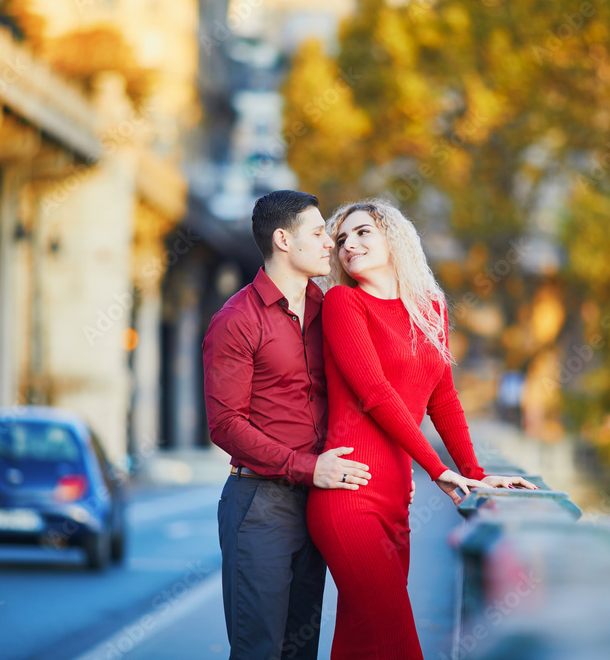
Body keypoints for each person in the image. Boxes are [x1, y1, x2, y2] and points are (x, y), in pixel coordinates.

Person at [307, 199, 538, 659]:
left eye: (362, 233)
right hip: (349, 498)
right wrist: (438, 469)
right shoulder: (343, 302)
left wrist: (473, 470)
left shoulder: (430, 309)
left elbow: (444, 399)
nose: (349, 245)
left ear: (393, 237)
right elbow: (374, 392)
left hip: (396, 503)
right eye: (341, 240)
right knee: (397, 642)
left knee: (360, 641)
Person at [202, 190, 373, 660]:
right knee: (259, 650)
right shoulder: (237, 320)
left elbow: (366, 393)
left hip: (320, 504)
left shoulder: (333, 311)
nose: (330, 244)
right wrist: (305, 467)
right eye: (318, 233)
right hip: (260, 505)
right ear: (283, 239)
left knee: (302, 650)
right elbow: (225, 425)